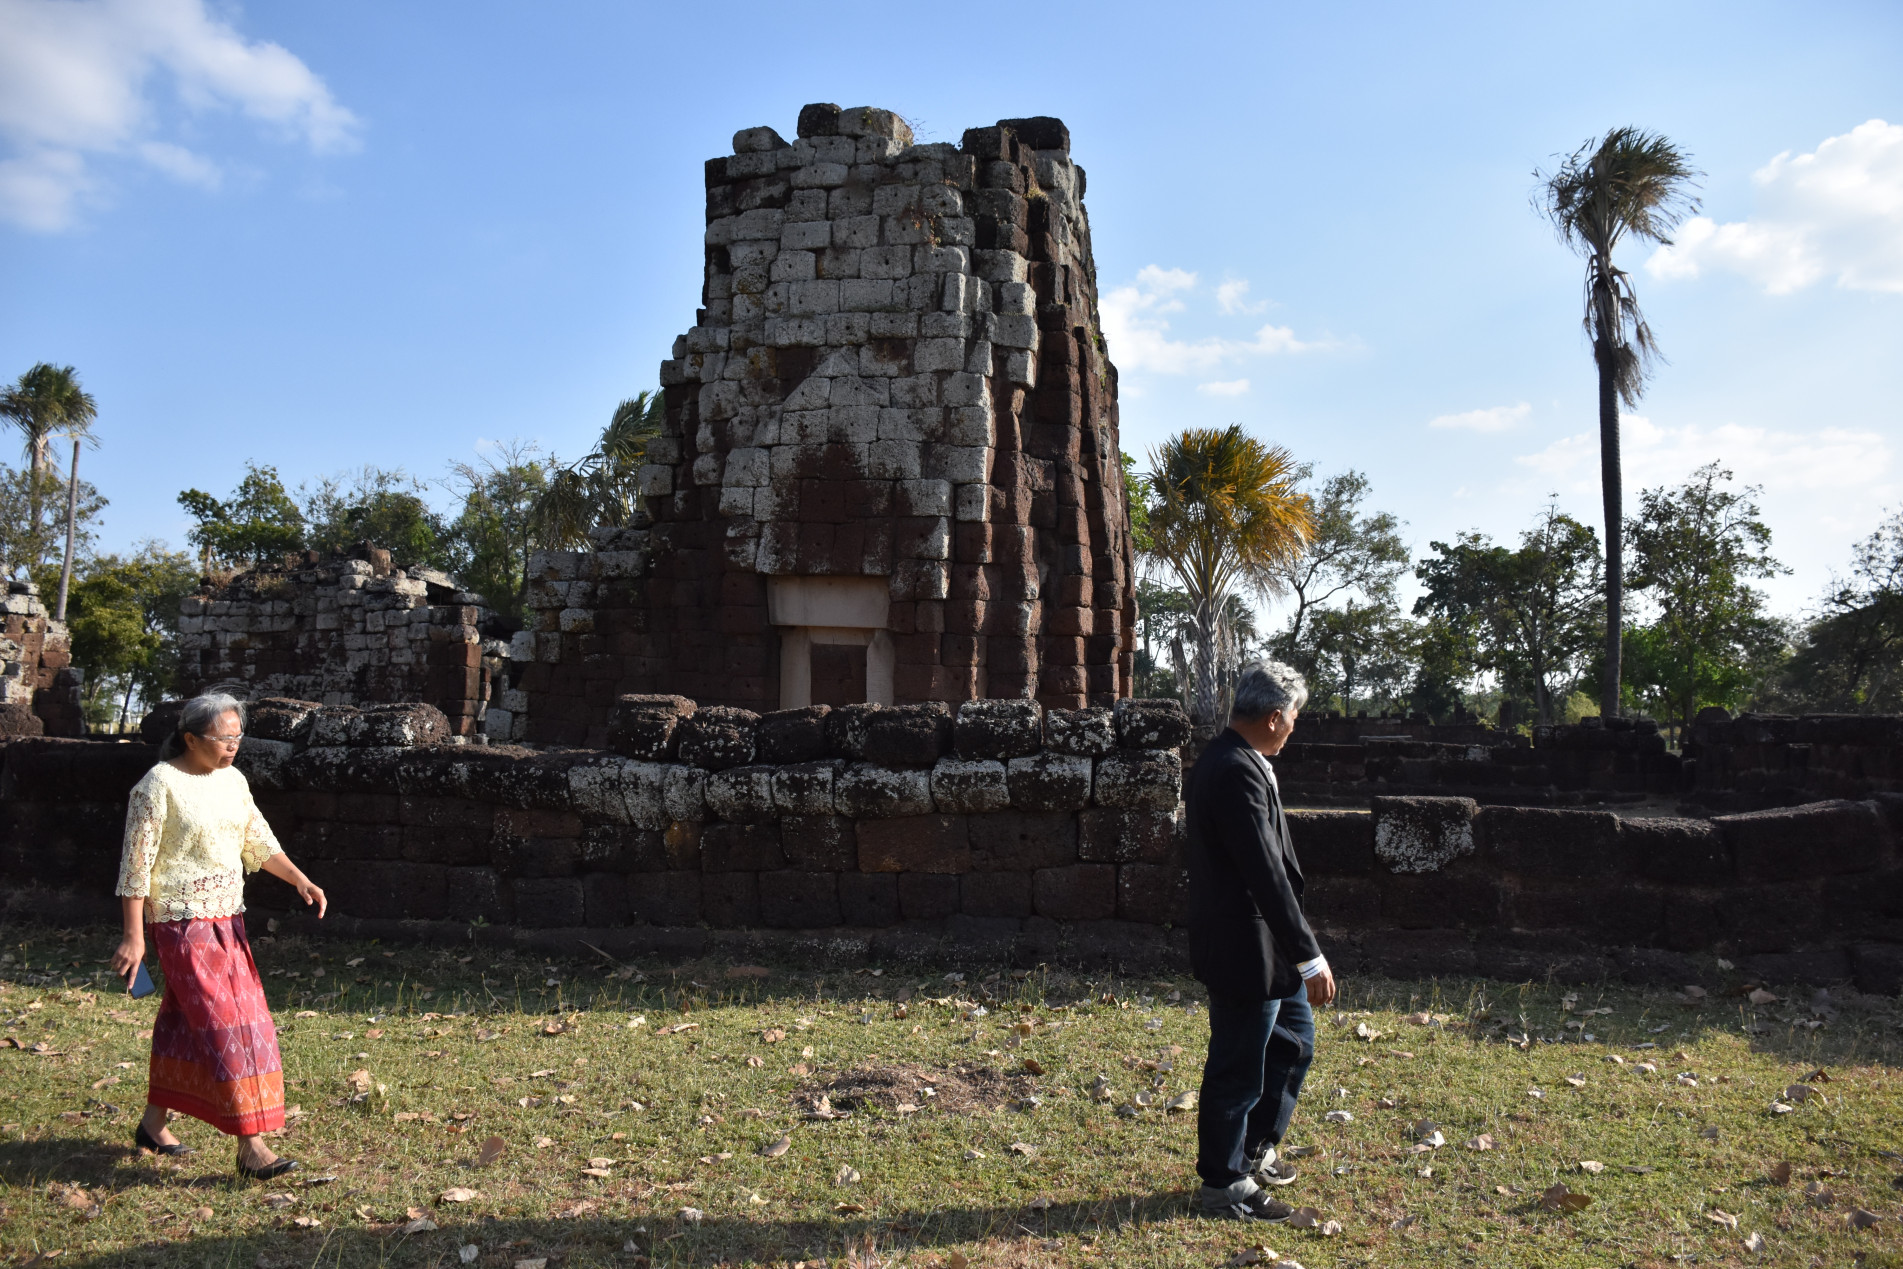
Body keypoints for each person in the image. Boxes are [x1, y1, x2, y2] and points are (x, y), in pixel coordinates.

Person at [109, 692, 327, 1179]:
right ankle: (252, 1146)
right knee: (233, 1027)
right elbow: (135, 867)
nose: (233, 746)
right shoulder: (157, 786)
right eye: (224, 738)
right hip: (181, 924)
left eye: (238, 737)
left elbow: (258, 839)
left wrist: (299, 879)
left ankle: (152, 1125)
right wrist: (133, 936)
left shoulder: (233, 780)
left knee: (185, 1023)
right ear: (190, 738)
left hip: (229, 920)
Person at [1183, 661, 1337, 1221]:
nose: (1295, 727)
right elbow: (1264, 872)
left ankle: (1250, 1151)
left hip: (1265, 947)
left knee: (1294, 1042)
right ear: (1275, 717)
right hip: (1245, 946)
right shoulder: (1233, 770)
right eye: (1294, 717)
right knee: (1238, 1066)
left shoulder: (1240, 760)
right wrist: (1309, 953)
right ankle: (1223, 1183)